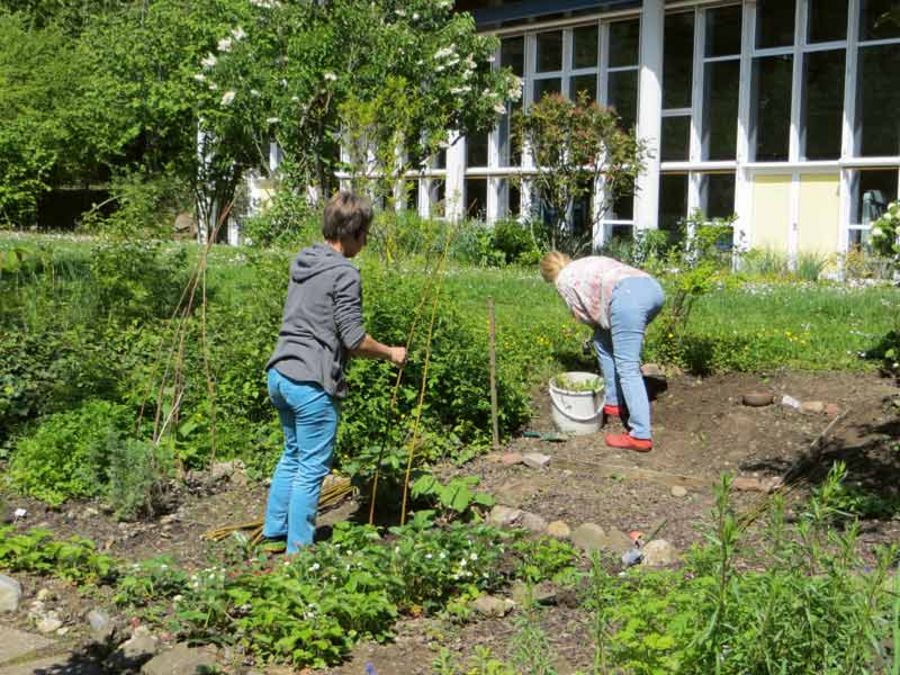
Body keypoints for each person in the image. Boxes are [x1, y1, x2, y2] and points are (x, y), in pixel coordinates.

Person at [263, 191, 406, 553]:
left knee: (292, 455)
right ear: (353, 232)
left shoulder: (305, 260)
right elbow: (354, 339)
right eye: (365, 233)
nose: (367, 241)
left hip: (280, 372)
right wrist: (391, 353)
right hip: (311, 380)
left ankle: (274, 533)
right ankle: (301, 553)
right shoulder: (344, 273)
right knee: (312, 468)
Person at [540, 251, 664, 452]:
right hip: (652, 289)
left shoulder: (563, 280)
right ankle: (614, 403)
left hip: (627, 298)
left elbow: (583, 313)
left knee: (627, 366)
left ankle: (640, 435)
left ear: (548, 275)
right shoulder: (584, 263)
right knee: (602, 341)